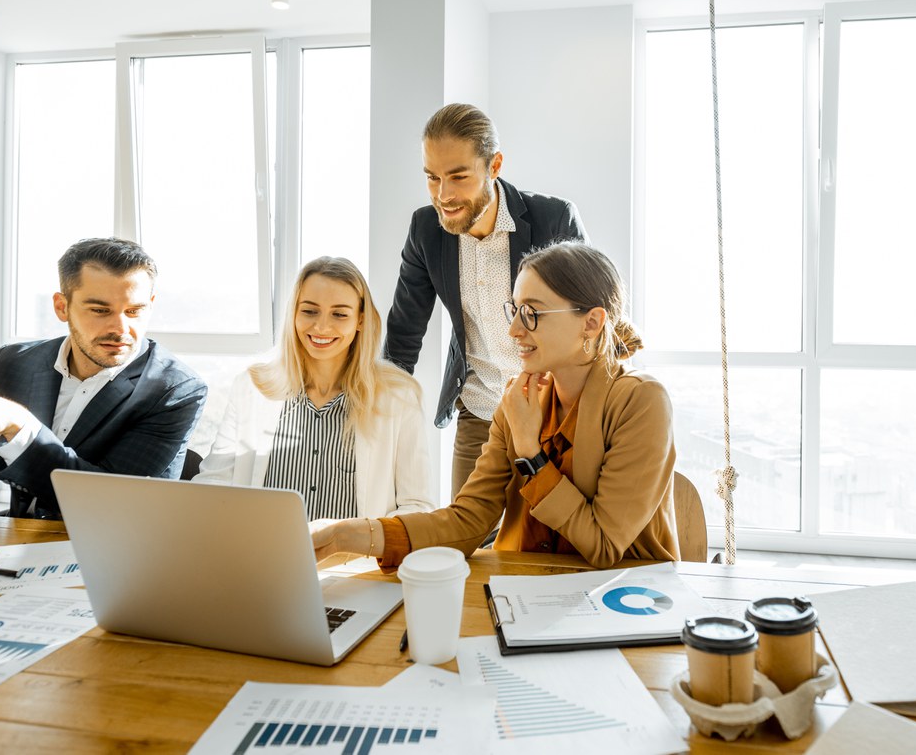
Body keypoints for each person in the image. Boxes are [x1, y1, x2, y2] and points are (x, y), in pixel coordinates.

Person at [316, 241, 679, 570]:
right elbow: (468, 521)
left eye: (532, 313)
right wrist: (347, 536)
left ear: (592, 322)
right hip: (525, 593)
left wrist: (530, 453)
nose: (515, 330)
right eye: (515, 310)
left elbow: (602, 545)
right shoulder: (517, 400)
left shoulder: (641, 400)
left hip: (624, 603)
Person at [0, 238, 207, 552]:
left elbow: (112, 505)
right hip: (15, 547)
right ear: (62, 307)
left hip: (113, 558)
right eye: (99, 310)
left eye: (134, 311)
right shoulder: (13, 362)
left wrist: (19, 425)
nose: (120, 328)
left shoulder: (174, 390)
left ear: (150, 305)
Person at [384, 103, 588, 498]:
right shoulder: (425, 230)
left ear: (494, 165)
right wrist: (378, 417)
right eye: (432, 178)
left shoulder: (554, 219)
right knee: (469, 545)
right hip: (479, 410)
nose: (443, 195)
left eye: (458, 176)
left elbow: (594, 323)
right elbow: (403, 336)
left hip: (555, 412)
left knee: (553, 543)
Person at [195, 257, 434, 520]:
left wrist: (366, 540)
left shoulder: (398, 397)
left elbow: (417, 507)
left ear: (361, 320)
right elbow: (212, 486)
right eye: (309, 311)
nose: (321, 327)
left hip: (357, 560)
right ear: (294, 313)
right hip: (263, 557)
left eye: (339, 314)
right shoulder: (252, 388)